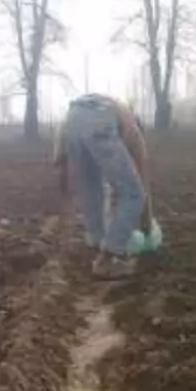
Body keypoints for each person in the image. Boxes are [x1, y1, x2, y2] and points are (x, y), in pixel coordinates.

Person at [53, 92, 155, 279]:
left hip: (72, 119)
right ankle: (109, 260)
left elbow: (64, 128)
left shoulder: (116, 108)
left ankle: (95, 244)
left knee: (91, 190)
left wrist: (60, 164)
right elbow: (140, 186)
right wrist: (147, 226)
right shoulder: (135, 135)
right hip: (100, 120)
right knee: (134, 195)